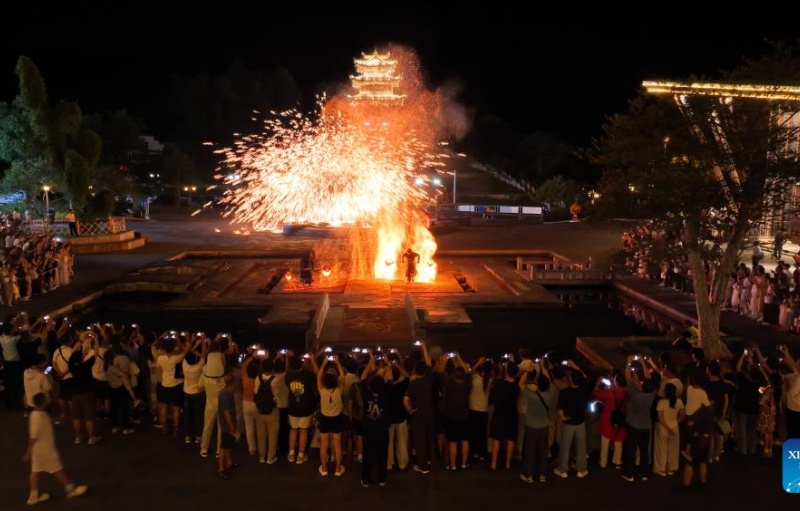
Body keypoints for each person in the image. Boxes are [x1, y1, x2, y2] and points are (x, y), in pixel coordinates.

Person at [23, 392, 88, 505]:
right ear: (43, 402)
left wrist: (30, 452)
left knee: (35, 472)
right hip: (45, 450)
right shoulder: (40, 417)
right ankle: (70, 489)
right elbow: (33, 438)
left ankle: (33, 496)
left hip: (38, 450)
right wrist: (28, 453)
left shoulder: (35, 414)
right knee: (56, 469)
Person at [359, 352, 393, 488]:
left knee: (368, 455)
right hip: (382, 429)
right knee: (382, 456)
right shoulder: (386, 395)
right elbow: (390, 378)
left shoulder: (366, 394)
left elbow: (362, 378)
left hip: (368, 429)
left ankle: (366, 479)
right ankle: (382, 479)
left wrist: (370, 363)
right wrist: (388, 363)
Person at [217, 373, 240, 479]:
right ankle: (221, 468)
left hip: (227, 425)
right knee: (223, 447)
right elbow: (226, 413)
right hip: (226, 426)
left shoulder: (227, 393)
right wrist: (231, 427)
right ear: (232, 384)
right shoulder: (224, 395)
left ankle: (229, 462)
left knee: (227, 445)